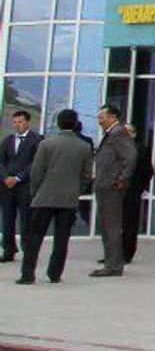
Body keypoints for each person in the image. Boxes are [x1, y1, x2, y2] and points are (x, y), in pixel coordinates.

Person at [17, 110, 93, 285]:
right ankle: (55, 274)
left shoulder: (47, 144)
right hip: (68, 199)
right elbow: (87, 175)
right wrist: (77, 191)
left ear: (58, 124)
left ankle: (27, 274)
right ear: (75, 124)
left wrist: (35, 192)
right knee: (62, 239)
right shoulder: (84, 147)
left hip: (45, 196)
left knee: (34, 238)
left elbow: (37, 172)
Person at [90, 105, 136, 277]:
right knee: (106, 226)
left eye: (102, 117)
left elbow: (130, 156)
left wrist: (121, 179)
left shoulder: (118, 132)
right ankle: (111, 262)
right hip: (105, 185)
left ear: (112, 117)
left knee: (111, 226)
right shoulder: (111, 133)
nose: (99, 121)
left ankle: (113, 265)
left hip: (111, 187)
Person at [2, 110, 42, 264]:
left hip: (25, 186)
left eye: (20, 122)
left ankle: (28, 251)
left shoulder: (36, 140)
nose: (17, 125)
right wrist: (5, 177)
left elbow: (35, 163)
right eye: (15, 122)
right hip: (7, 187)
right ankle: (8, 250)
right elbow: (1, 161)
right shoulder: (8, 140)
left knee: (26, 220)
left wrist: (18, 178)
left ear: (27, 122)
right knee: (7, 219)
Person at [121, 124, 155, 264]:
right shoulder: (114, 148)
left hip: (132, 191)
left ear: (134, 134)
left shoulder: (141, 149)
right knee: (114, 224)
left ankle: (127, 254)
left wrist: (140, 188)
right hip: (115, 192)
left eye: (129, 131)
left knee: (130, 223)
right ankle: (112, 253)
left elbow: (148, 171)